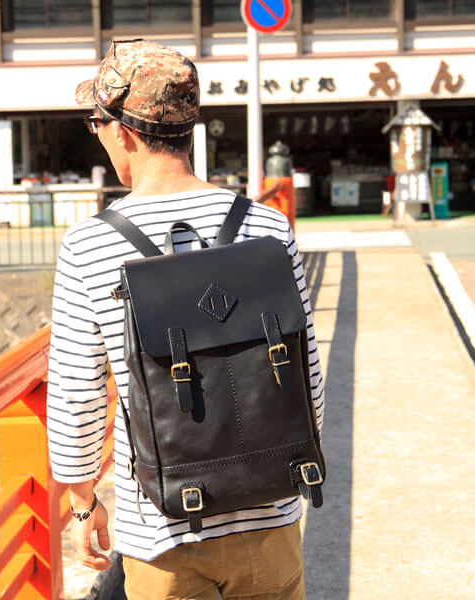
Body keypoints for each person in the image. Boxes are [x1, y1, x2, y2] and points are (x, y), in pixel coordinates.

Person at [46, 39, 324, 600]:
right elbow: (306, 375)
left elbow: (77, 392)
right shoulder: (267, 226)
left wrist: (83, 501)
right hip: (268, 512)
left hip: (161, 528)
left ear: (122, 132)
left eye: (96, 123)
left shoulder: (90, 245)